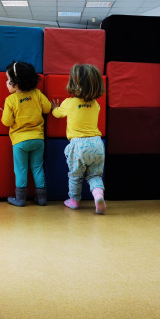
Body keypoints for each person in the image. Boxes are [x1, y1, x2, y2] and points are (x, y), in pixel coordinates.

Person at [51, 63, 106, 215]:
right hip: (97, 144)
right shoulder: (96, 105)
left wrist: (54, 108)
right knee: (94, 175)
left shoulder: (69, 103)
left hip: (78, 145)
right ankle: (98, 195)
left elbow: (57, 114)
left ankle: (74, 201)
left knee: (75, 176)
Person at [1, 61, 51, 207]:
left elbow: (6, 122)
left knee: (21, 170)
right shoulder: (37, 93)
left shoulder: (10, 100)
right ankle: (42, 198)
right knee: (37, 168)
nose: (6, 83)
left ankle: (20, 199)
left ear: (15, 84)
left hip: (20, 142)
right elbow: (47, 109)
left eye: (7, 80)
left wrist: (4, 113)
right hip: (37, 139)